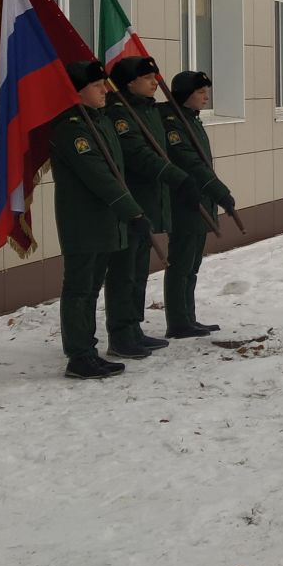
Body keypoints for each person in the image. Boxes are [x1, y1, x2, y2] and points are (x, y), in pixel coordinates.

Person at [50, 62, 149, 379]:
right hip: (83, 221)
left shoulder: (99, 122)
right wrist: (132, 211)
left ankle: (88, 351)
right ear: (77, 91)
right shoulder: (71, 127)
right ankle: (78, 356)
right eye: (98, 86)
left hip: (105, 220)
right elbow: (99, 176)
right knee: (79, 289)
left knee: (92, 288)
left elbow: (116, 173)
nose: (106, 90)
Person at [106, 56, 191, 359]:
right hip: (132, 202)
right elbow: (137, 154)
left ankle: (133, 328)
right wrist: (174, 175)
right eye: (147, 77)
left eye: (154, 76)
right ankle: (120, 334)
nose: (155, 81)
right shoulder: (120, 113)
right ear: (130, 82)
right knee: (124, 271)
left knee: (139, 269)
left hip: (151, 202)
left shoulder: (148, 109)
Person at [160, 70, 238, 338]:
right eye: (200, 92)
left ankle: (188, 317)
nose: (207, 97)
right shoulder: (174, 124)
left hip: (201, 198)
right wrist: (219, 191)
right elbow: (189, 163)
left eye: (207, 91)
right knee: (181, 263)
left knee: (192, 265)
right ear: (185, 96)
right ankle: (178, 320)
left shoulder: (191, 121)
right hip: (185, 201)